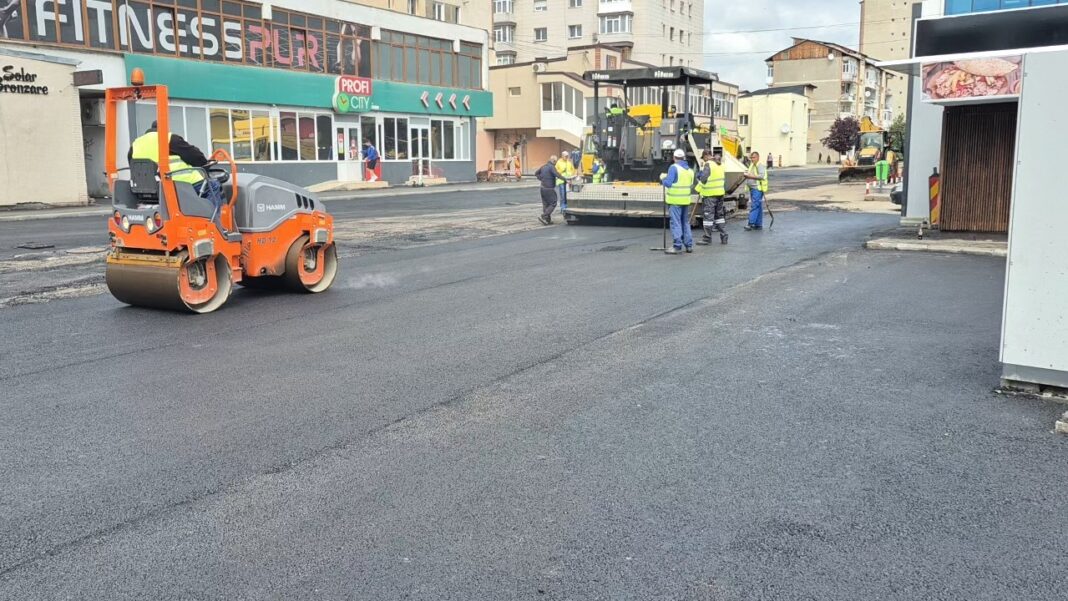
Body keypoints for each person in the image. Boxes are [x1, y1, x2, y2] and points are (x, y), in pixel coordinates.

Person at [128, 121, 223, 215]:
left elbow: (132, 164)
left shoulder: (136, 143)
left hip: (149, 188)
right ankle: (213, 221)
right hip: (178, 183)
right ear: (165, 129)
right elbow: (196, 157)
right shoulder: (169, 138)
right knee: (213, 185)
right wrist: (204, 164)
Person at [660, 149, 695, 255]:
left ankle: (677, 246)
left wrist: (662, 178)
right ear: (683, 157)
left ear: (674, 158)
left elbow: (669, 183)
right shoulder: (690, 171)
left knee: (676, 223)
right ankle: (689, 245)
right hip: (685, 200)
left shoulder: (674, 168)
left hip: (675, 201)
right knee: (685, 223)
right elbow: (690, 184)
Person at [695, 149, 728, 246]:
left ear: (706, 156)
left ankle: (707, 238)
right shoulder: (720, 164)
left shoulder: (708, 164)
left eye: (703, 158)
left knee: (708, 217)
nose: (704, 160)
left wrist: (698, 189)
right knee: (719, 217)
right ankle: (724, 236)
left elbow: (704, 179)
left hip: (710, 195)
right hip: (720, 194)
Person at [535, 155, 565, 225]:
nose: (556, 163)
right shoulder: (552, 167)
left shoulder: (543, 166)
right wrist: (565, 179)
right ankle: (544, 216)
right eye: (556, 162)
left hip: (542, 188)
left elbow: (536, 173)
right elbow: (557, 175)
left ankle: (547, 220)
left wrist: (541, 178)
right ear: (554, 161)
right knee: (553, 203)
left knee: (545, 204)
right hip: (549, 188)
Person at [744, 152, 769, 231]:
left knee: (755, 205)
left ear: (758, 157)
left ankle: (750, 224)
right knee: (758, 206)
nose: (752, 159)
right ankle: (758, 224)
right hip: (753, 188)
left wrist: (749, 176)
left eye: (754, 157)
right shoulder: (752, 165)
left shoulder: (760, 165)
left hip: (757, 189)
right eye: (751, 158)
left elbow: (761, 176)